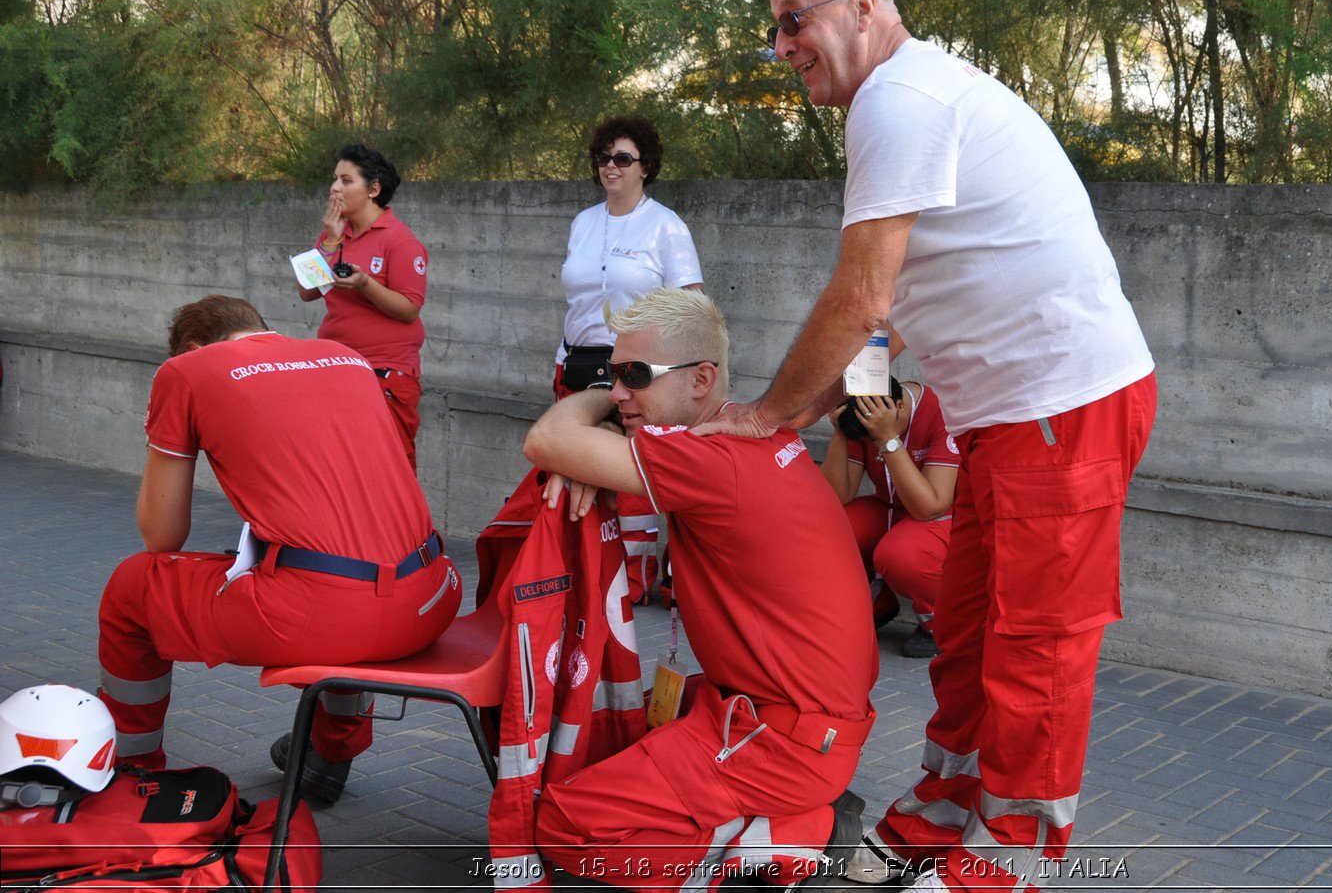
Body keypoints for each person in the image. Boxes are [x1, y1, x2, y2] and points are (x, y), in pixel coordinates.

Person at [696, 0, 1158, 892]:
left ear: (861, 6)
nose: (782, 43)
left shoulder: (898, 100)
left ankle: (1009, 860)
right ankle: (942, 810)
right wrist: (797, 417)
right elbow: (892, 323)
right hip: (1013, 416)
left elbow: (861, 296)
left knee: (1034, 649)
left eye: (795, 20)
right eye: (773, 27)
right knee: (971, 630)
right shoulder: (909, 97)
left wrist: (764, 415)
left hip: (1061, 408)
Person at [522, 288, 877, 889]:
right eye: (610, 375)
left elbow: (547, 440)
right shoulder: (753, 431)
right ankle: (787, 812)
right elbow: (875, 346)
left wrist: (590, 424)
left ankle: (797, 835)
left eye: (635, 374)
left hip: (782, 738)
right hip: (804, 717)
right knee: (640, 723)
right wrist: (606, 437)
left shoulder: (708, 458)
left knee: (563, 824)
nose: (617, 391)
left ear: (701, 379)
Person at [96, 295, 461, 803]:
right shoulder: (345, 356)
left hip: (328, 617)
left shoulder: (186, 371)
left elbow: (162, 536)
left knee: (132, 586)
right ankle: (330, 751)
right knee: (336, 568)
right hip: (432, 596)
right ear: (262, 331)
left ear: (193, 349)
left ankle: (131, 770)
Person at [556, 116, 703, 605]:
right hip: (575, 364)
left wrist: (677, 378)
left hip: (634, 370)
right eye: (603, 158)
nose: (610, 167)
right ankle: (585, 574)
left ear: (645, 167)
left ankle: (633, 583)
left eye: (623, 158)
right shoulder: (582, 222)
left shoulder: (666, 226)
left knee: (630, 478)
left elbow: (691, 309)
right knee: (576, 470)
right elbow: (574, 303)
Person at [296, 143, 429, 470]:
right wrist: (330, 240)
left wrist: (366, 284)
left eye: (346, 180)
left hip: (384, 372)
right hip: (336, 365)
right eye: (334, 179)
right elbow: (307, 291)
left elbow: (410, 308)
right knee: (340, 464)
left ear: (373, 190)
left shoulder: (400, 240)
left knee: (388, 464)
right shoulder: (333, 233)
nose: (335, 188)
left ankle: (404, 523)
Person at [819, 378, 959, 658]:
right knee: (823, 529)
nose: (870, 443)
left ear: (898, 407)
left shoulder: (942, 410)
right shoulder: (865, 413)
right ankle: (877, 602)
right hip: (889, 506)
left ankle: (942, 626)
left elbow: (930, 507)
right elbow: (836, 497)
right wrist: (839, 434)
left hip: (943, 516)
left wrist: (886, 440)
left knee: (901, 554)